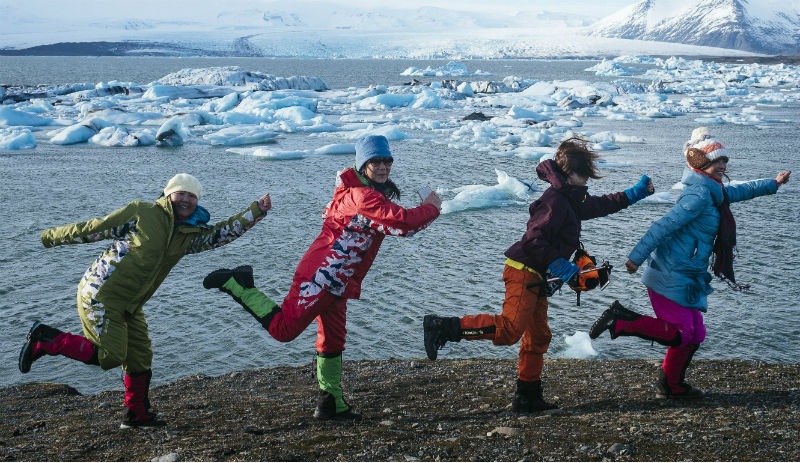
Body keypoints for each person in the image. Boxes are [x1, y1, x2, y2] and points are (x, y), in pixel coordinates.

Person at [203, 135, 442, 421]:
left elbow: (399, 227)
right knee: (283, 330)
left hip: (337, 282)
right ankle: (239, 285)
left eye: (387, 160)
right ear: (363, 164)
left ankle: (331, 403)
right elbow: (404, 222)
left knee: (332, 341)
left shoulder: (365, 193)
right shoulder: (361, 196)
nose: (382, 166)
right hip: (319, 276)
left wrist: (425, 211)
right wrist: (432, 207)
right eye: (375, 161)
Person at [18, 173, 273, 429]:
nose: (185, 199)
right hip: (101, 292)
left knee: (140, 356)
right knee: (111, 356)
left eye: (191, 195)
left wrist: (255, 212)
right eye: (180, 193)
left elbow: (221, 234)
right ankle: (45, 340)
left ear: (198, 201)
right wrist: (50, 237)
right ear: (168, 194)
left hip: (132, 302)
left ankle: (136, 415)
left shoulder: (189, 233)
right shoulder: (143, 212)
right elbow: (96, 228)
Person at [423, 137, 654, 413]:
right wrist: (560, 265)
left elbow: (600, 205)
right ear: (570, 174)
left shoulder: (571, 197)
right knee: (510, 329)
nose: (587, 181)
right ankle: (443, 327)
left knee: (539, 335)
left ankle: (527, 396)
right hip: (523, 271)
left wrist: (634, 194)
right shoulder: (555, 199)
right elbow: (534, 239)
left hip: (538, 276)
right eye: (584, 175)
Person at [589, 127, 791, 399]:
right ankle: (621, 320)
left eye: (724, 160)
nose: (722, 165)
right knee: (683, 334)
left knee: (695, 334)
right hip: (671, 273)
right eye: (716, 160)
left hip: (689, 273)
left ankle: (671, 385)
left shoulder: (714, 191)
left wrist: (773, 183)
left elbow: (741, 190)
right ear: (700, 163)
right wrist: (635, 258)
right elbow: (664, 225)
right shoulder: (697, 196)